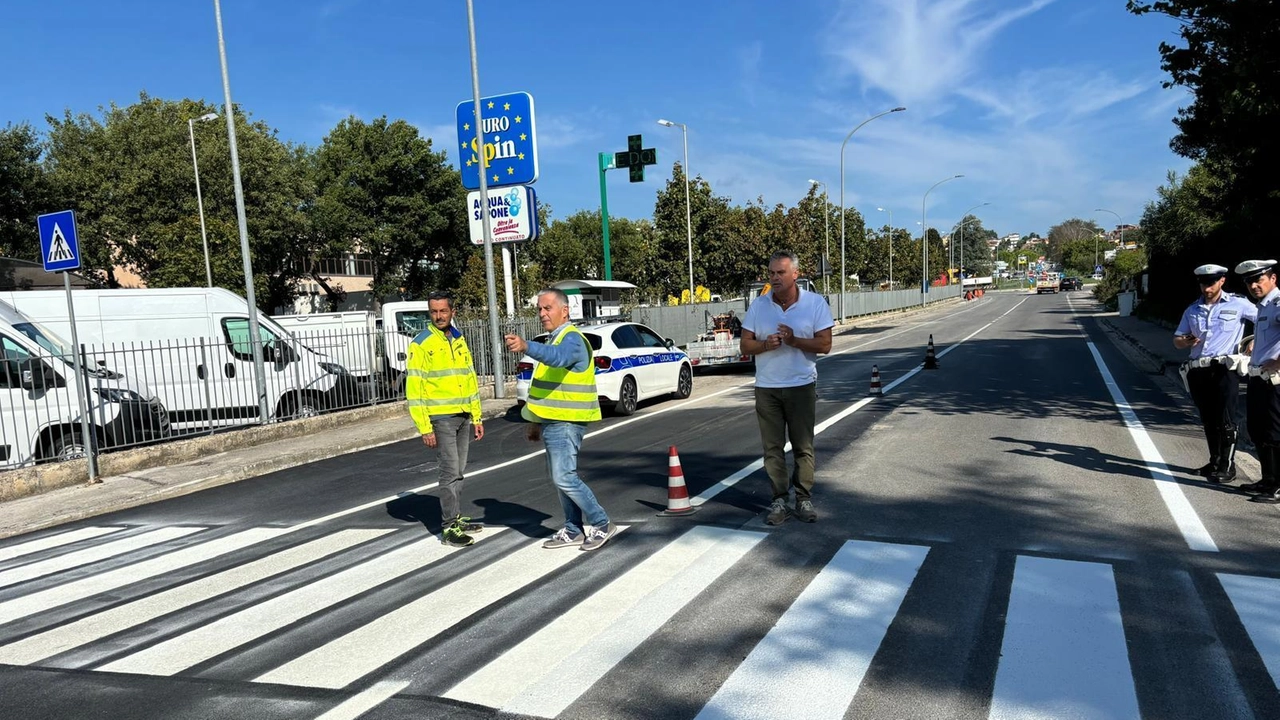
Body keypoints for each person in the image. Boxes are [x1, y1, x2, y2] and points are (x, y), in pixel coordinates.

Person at [504, 289, 617, 551]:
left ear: (564, 311)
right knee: (561, 478)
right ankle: (574, 528)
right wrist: (535, 421)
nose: (542, 313)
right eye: (540, 309)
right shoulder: (555, 340)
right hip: (554, 420)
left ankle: (601, 523)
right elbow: (545, 387)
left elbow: (560, 359)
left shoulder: (572, 340)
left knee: (564, 477)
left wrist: (526, 346)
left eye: (548, 308)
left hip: (568, 421)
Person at [740, 251, 834, 525]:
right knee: (773, 449)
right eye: (771, 273)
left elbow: (825, 345)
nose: (775, 278)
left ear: (795, 274)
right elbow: (745, 346)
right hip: (766, 388)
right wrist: (764, 345)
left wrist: (794, 341)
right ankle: (778, 500)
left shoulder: (814, 304)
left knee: (803, 446)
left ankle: (803, 498)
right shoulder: (759, 306)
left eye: (780, 273)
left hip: (800, 385)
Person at [405, 290, 485, 547]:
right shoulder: (421, 343)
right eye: (434, 311)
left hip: (463, 415)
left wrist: (477, 415)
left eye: (443, 311)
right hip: (441, 418)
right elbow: (414, 390)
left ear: (453, 312)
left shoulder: (459, 339)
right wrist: (424, 427)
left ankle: (456, 517)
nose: (438, 316)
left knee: (459, 472)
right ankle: (449, 528)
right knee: (449, 472)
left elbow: (469, 378)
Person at [1173, 264, 1257, 483]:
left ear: (1222, 281)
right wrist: (1186, 340)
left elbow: (1265, 321)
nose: (1206, 288)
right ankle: (1215, 461)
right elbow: (1177, 340)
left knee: (1226, 418)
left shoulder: (1239, 304)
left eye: (1210, 284)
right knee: (1209, 419)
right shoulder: (1192, 310)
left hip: (1224, 368)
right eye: (1203, 284)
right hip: (1199, 369)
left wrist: (1254, 341)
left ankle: (1228, 466)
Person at [1235, 260, 1280, 503]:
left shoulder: (1278, 302)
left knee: (1275, 434)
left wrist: (1278, 362)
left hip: (1275, 381)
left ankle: (1277, 484)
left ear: (1273, 279)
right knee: (1258, 431)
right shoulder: (1263, 306)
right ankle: (1268, 480)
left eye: (1259, 279)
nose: (1253, 285)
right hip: (1258, 379)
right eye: (1249, 281)